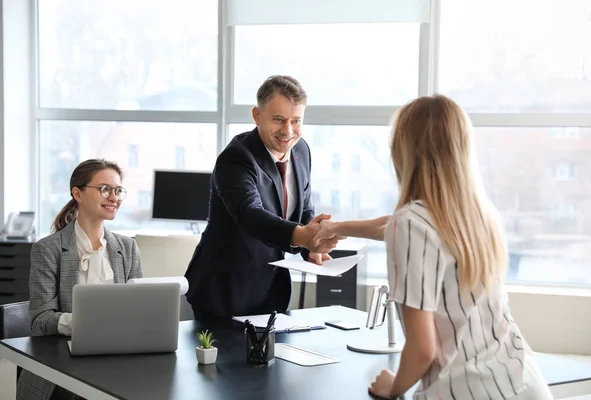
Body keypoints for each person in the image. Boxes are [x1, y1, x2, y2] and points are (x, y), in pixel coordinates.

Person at [315, 95, 553, 399]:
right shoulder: (477, 213)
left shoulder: (412, 223)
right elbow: (393, 227)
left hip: (469, 389)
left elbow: (422, 349)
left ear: (406, 151)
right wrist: (336, 228)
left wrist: (394, 387)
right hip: (522, 381)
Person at [185, 75, 341, 319]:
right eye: (278, 120)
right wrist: (302, 236)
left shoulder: (301, 150)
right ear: (257, 115)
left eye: (296, 120)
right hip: (225, 292)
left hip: (271, 292)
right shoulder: (236, 158)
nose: (288, 131)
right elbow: (250, 214)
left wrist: (313, 247)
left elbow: (304, 208)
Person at [17, 159, 142, 400]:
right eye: (105, 189)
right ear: (78, 193)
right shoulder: (48, 249)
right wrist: (87, 324)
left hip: (116, 362)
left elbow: (138, 310)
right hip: (61, 366)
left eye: (118, 190)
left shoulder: (128, 248)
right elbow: (40, 320)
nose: (114, 197)